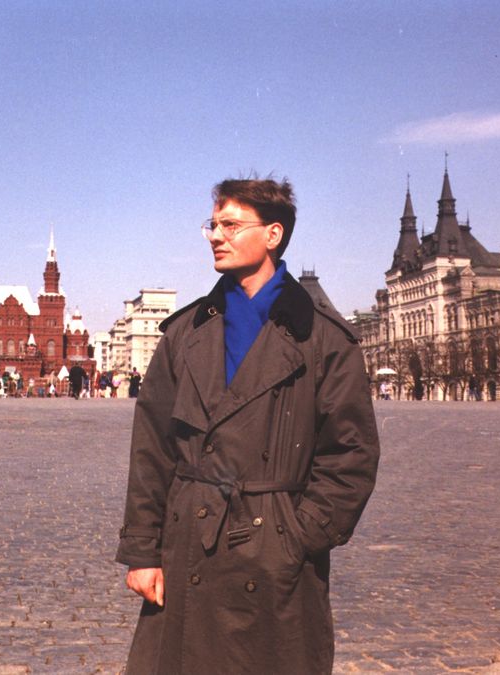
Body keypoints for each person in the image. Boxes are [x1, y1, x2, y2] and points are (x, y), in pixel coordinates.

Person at [116, 177, 380, 674]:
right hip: (187, 548)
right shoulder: (184, 333)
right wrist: (143, 552)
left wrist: (295, 538)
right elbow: (151, 449)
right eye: (213, 225)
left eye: (232, 225)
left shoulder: (324, 338)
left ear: (273, 234)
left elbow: (351, 455)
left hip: (273, 554)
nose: (216, 235)